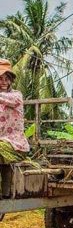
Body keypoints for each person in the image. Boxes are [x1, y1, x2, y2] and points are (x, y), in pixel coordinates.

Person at [0, 59, 30, 198]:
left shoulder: (16, 95)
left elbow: (9, 100)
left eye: (7, 78)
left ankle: (5, 193)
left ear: (11, 80)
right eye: (0, 78)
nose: (4, 82)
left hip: (15, 144)